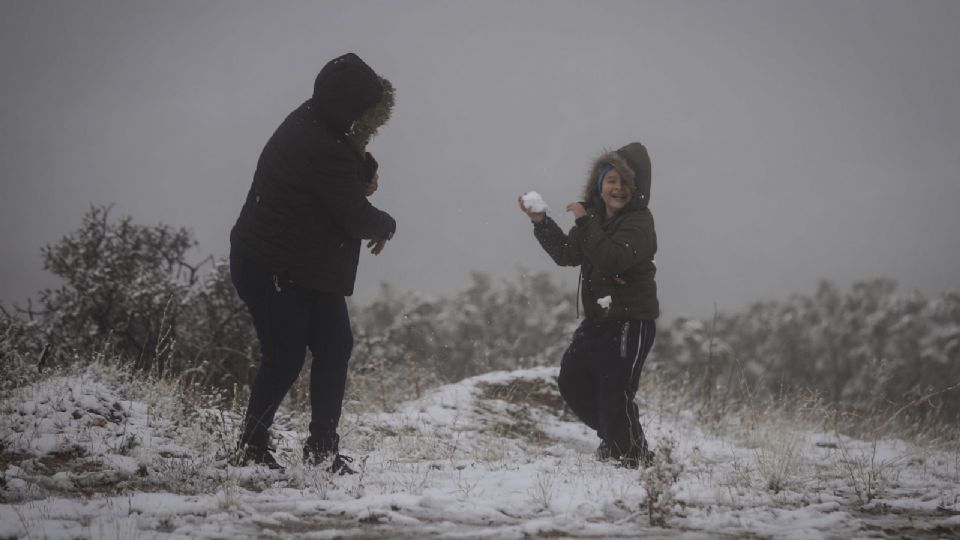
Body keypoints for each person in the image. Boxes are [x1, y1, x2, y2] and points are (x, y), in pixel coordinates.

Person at [229, 53, 397, 473]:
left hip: (303, 265)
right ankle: (251, 448)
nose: (368, 122)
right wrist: (386, 224)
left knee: (335, 345)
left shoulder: (314, 119)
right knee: (284, 355)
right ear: (349, 108)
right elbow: (354, 215)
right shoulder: (319, 142)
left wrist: (362, 177)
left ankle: (322, 449)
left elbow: (338, 173)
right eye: (365, 112)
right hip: (273, 266)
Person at [519, 142, 659, 468]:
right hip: (599, 320)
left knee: (615, 392)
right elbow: (568, 254)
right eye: (611, 180)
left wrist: (585, 223)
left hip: (630, 321)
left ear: (637, 188)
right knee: (572, 380)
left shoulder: (639, 222)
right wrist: (541, 222)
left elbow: (612, 259)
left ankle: (630, 457)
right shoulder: (595, 218)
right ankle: (619, 440)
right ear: (599, 183)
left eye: (626, 182)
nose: (618, 188)